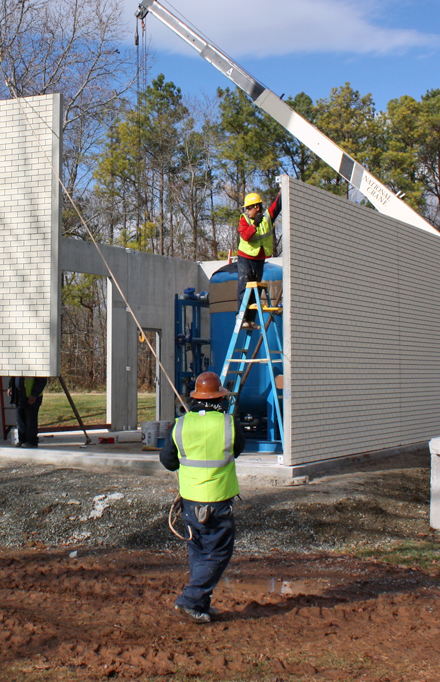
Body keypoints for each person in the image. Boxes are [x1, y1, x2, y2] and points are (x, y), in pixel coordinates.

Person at [160, 371, 246, 624]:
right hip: (219, 500)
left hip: (190, 501)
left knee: (198, 551)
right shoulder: (229, 423)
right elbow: (237, 449)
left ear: (195, 397)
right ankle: (190, 599)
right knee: (218, 553)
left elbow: (167, 461)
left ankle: (200, 603)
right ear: (220, 398)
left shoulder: (181, 424)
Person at [235, 191, 281, 327]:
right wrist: (254, 225)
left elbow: (277, 205)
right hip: (245, 257)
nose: (247, 211)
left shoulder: (267, 217)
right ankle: (242, 316)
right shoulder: (244, 219)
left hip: (259, 258)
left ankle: (250, 320)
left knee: (256, 290)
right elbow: (246, 236)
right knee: (244, 286)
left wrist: (282, 190)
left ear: (257, 207)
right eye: (246, 208)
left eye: (249, 208)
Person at [9, 376, 47, 448]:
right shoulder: (18, 367)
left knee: (30, 421)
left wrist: (34, 395)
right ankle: (22, 440)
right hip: (19, 395)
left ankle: (31, 442)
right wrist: (10, 387)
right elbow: (13, 377)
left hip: (31, 396)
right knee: (20, 420)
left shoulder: (36, 368)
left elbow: (41, 381)